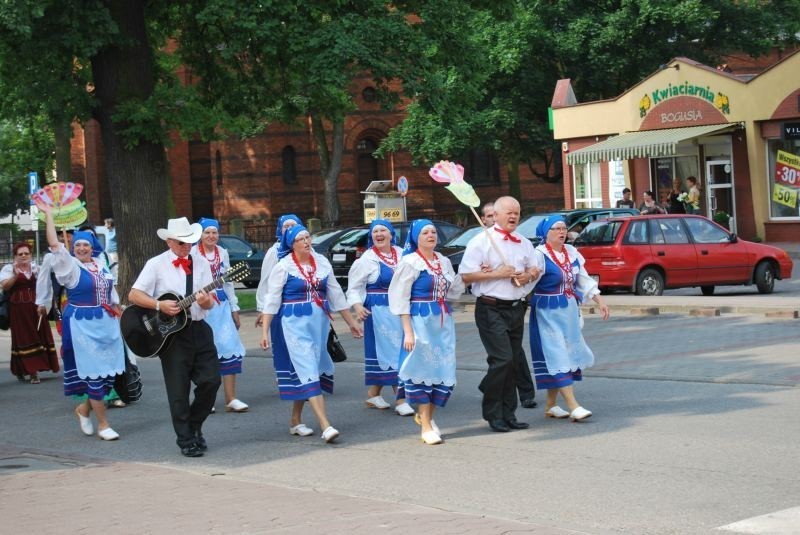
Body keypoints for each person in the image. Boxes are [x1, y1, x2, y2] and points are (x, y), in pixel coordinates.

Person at [259, 224, 363, 443]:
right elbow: (272, 300)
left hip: (319, 324)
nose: (306, 241)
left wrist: (351, 321)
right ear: (291, 244)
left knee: (310, 369)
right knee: (307, 367)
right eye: (301, 239)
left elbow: (336, 294)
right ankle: (325, 425)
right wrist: (266, 330)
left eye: (308, 237)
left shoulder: (322, 263)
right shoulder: (284, 267)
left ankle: (295, 420)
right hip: (294, 324)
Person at [129, 217, 220, 457]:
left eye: (189, 242)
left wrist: (205, 300)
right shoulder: (156, 264)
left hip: (199, 329)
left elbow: (210, 303)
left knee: (212, 381)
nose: (186, 247)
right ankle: (186, 439)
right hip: (172, 336)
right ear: (169, 241)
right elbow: (134, 295)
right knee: (178, 390)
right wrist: (158, 305)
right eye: (180, 243)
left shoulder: (201, 263)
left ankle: (194, 424)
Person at [37, 202, 125, 440]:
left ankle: (83, 409)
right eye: (77, 245)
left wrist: (119, 309)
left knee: (109, 376)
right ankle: (103, 424)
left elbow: (111, 293)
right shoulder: (71, 267)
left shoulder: (101, 265)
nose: (82, 248)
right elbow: (55, 245)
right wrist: (48, 215)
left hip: (106, 323)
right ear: (73, 249)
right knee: (95, 374)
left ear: (92, 246)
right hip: (82, 325)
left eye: (86, 244)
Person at [460, 197, 540, 433]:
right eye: (508, 213)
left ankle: (509, 414)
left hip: (515, 307)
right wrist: (496, 274)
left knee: (513, 362)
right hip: (490, 308)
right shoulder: (481, 241)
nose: (513, 216)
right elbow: (466, 275)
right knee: (502, 359)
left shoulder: (523, 242)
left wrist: (529, 276)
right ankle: (493, 413)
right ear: (495, 215)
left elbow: (535, 267)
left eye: (517, 212)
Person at [388, 219, 464, 445]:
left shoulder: (443, 261)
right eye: (425, 233)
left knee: (441, 369)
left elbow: (453, 292)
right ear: (415, 238)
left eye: (433, 232)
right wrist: (408, 332)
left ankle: (427, 417)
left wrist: (467, 278)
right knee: (423, 368)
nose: (431, 235)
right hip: (420, 320)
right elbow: (400, 299)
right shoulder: (410, 263)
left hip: (442, 321)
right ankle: (426, 425)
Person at [528, 216, 610, 422]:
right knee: (557, 355)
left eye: (564, 228)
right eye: (556, 229)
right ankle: (573, 406)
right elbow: (526, 282)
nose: (561, 232)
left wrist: (599, 301)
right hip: (547, 312)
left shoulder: (572, 253)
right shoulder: (539, 255)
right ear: (546, 233)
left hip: (569, 311)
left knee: (565, 354)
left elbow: (583, 279)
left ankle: (550, 405)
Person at [346, 219, 414, 416]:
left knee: (398, 351)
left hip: (401, 310)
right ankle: (401, 399)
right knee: (391, 353)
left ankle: (373, 393)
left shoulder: (403, 255)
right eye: (375, 231)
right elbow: (353, 288)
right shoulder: (366, 260)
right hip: (378, 311)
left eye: (383, 230)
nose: (378, 233)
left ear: (391, 234)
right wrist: (357, 305)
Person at [191, 217, 248, 413]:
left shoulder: (222, 253)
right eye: (207, 232)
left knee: (229, 347)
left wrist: (234, 308)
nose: (211, 236)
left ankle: (231, 398)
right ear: (200, 234)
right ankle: (206, 400)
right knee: (204, 353)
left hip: (221, 306)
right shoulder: (192, 253)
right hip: (201, 308)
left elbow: (228, 282)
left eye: (214, 232)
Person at [0, 243, 59, 383]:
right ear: (15, 256)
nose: (23, 256)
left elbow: (44, 286)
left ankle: (31, 368)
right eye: (20, 254)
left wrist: (43, 304)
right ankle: (31, 372)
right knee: (23, 338)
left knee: (39, 335)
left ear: (30, 255)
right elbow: (5, 285)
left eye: (26, 253)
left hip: (36, 307)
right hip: (18, 309)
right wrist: (15, 276)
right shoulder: (9, 268)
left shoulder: (36, 268)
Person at [255, 214, 302, 326]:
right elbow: (266, 280)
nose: (290, 228)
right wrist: (262, 308)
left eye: (293, 225)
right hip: (280, 304)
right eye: (286, 226)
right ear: (280, 230)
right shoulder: (274, 252)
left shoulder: (307, 248)